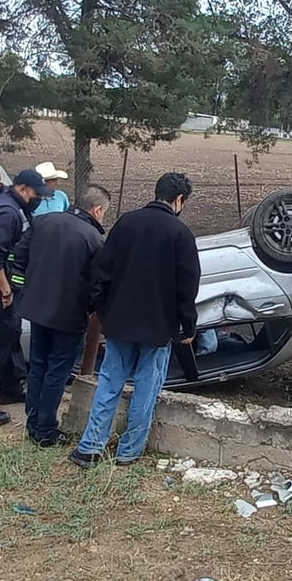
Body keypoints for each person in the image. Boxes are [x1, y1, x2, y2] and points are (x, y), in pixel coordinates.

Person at [69, 172, 201, 468]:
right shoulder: (181, 234)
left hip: (119, 323)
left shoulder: (125, 224)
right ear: (179, 199)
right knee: (146, 389)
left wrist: (104, 312)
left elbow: (100, 273)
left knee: (109, 383)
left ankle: (90, 447)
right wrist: (187, 325)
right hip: (158, 328)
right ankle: (129, 451)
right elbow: (187, 286)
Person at [12, 184, 111, 447]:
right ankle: (46, 429)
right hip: (69, 315)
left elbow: (18, 258)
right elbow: (98, 284)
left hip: (36, 308)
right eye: (104, 213)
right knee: (57, 371)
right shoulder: (94, 239)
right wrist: (90, 308)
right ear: (97, 209)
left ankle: (33, 423)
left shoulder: (42, 222)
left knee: (38, 367)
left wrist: (27, 289)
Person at [0, 169, 54, 426]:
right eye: (37, 194)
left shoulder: (13, 205)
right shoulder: (7, 212)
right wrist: (5, 290)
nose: (39, 199)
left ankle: (11, 387)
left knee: (10, 333)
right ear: (23, 188)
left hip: (5, 285)